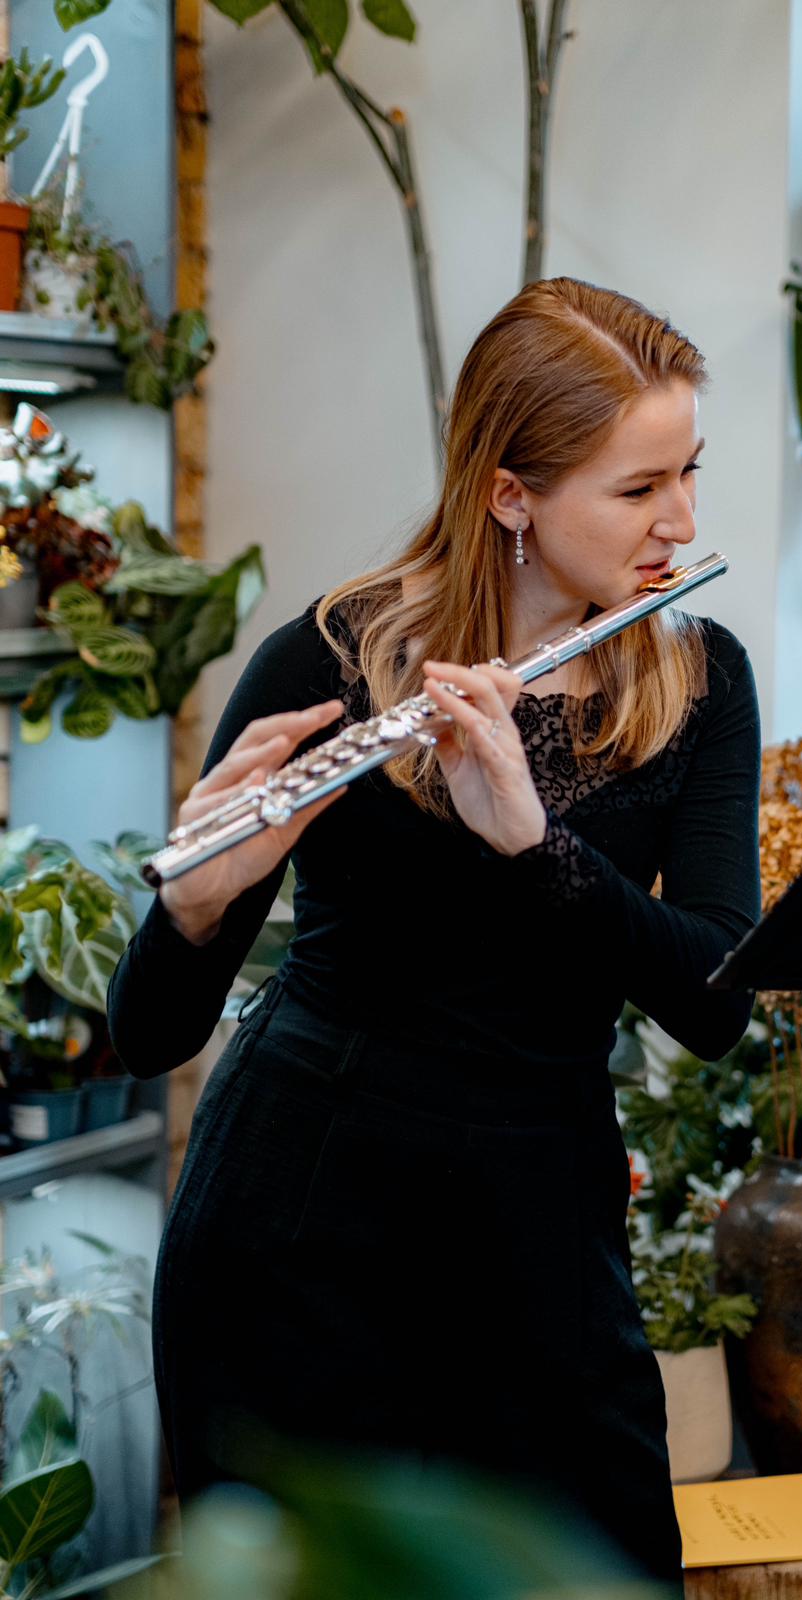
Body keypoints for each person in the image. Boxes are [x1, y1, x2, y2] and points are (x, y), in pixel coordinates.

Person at [106, 276, 761, 1588]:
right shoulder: (335, 657)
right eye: (638, 489)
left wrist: (536, 845)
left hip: (540, 1237)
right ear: (510, 494)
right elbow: (150, 1032)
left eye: (687, 472)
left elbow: (712, 999)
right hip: (300, 1233)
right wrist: (197, 900)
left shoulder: (696, 680)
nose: (681, 521)